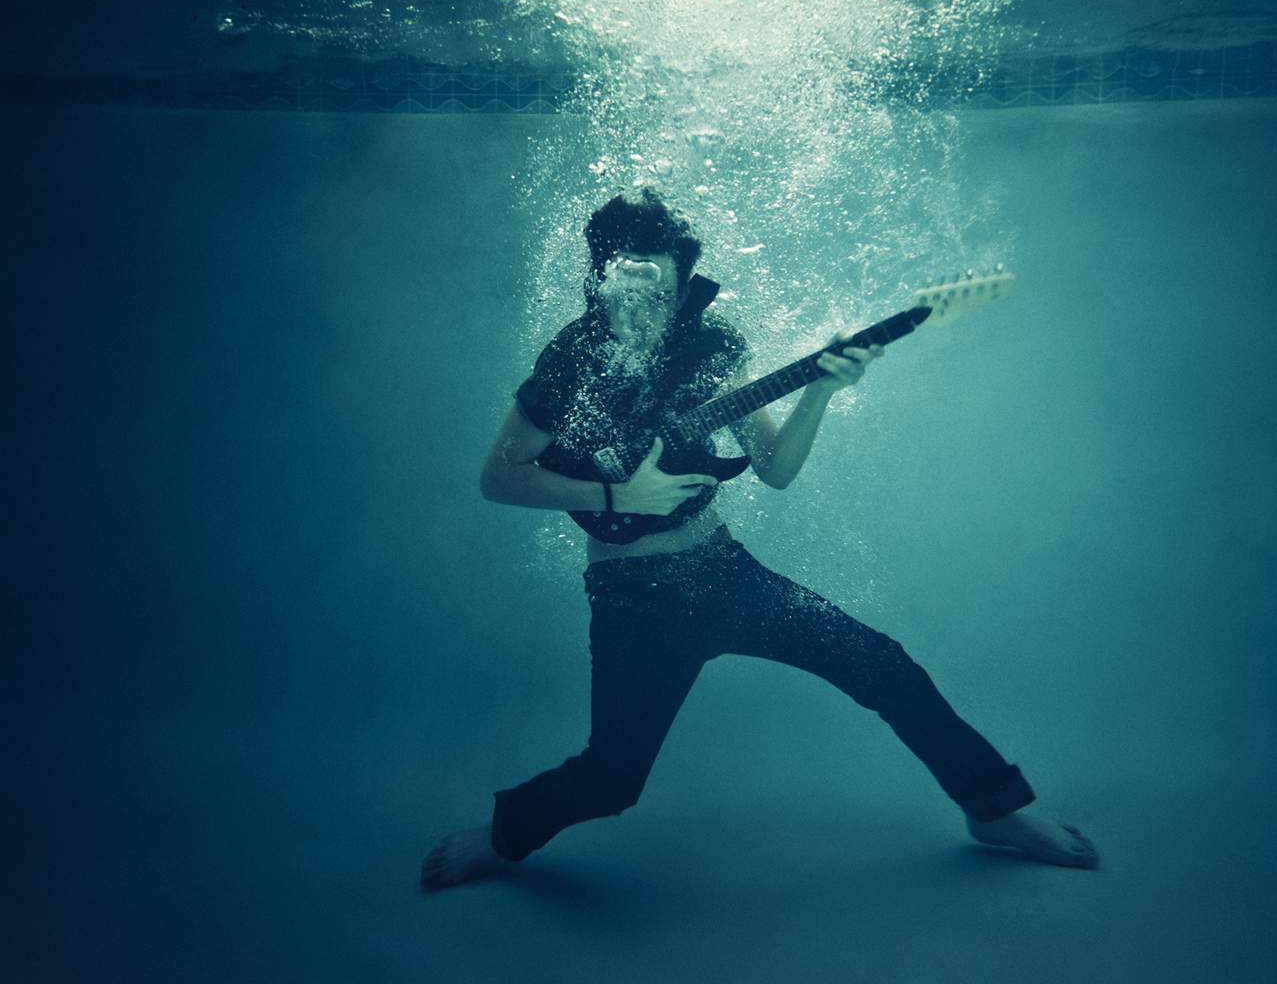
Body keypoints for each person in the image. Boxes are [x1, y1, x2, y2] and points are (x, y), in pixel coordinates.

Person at [421, 188, 1095, 889]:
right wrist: (618, 493)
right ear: (600, 279)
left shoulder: (713, 345)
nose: (641, 308)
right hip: (631, 599)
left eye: (661, 290)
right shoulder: (569, 359)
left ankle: (993, 810)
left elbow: (773, 470)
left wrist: (821, 391)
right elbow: (499, 478)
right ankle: (501, 836)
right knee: (612, 781)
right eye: (626, 285)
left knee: (883, 665)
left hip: (724, 572)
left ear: (684, 287)